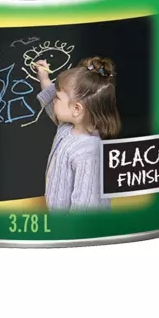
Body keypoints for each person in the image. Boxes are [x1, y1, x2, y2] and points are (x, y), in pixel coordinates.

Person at [34, 56, 121, 211]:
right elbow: (51, 106)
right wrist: (44, 78)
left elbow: (86, 209)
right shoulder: (67, 127)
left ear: (76, 109)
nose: (53, 99)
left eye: (57, 97)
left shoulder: (89, 153)